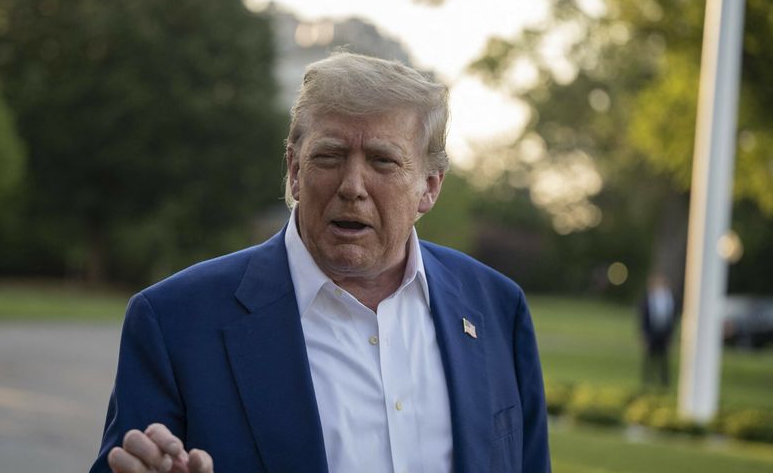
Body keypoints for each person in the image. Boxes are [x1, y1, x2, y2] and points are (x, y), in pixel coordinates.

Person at [90, 53, 550, 473]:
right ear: (294, 169)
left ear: (429, 187)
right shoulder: (176, 320)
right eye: (329, 156)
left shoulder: (496, 307)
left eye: (383, 161)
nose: (352, 186)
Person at [639, 273, 676, 388]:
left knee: (663, 359)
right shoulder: (649, 298)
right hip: (652, 332)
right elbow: (643, 317)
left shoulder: (670, 299)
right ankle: (648, 381)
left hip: (664, 333)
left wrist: (670, 335)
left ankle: (664, 382)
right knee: (650, 358)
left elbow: (673, 318)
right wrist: (644, 334)